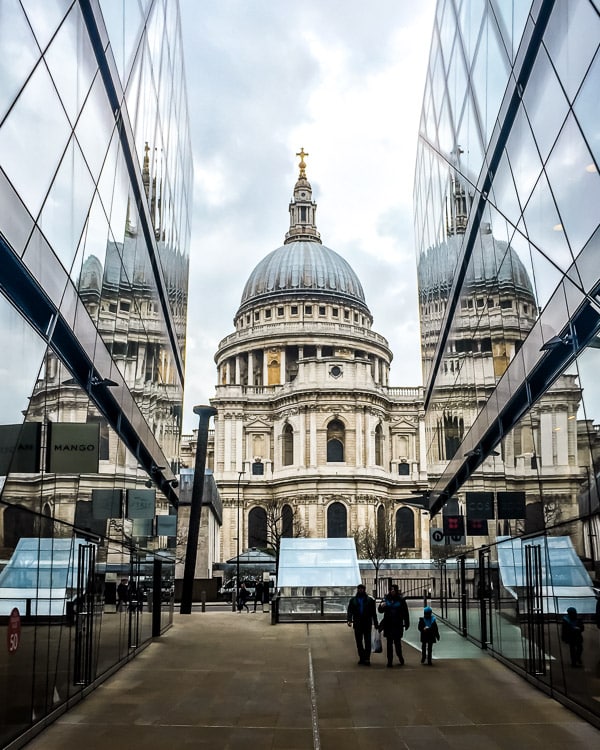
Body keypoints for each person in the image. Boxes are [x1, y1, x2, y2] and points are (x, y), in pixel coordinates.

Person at [378, 584, 410, 667]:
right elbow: (380, 610)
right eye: (391, 590)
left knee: (397, 643)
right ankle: (390, 661)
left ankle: (400, 656)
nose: (392, 591)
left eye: (394, 590)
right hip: (388, 624)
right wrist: (381, 606)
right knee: (389, 644)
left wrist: (406, 623)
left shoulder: (401, 600)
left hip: (397, 624)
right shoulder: (386, 599)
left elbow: (405, 612)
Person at [347, 583, 379, 665]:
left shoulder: (370, 600)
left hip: (366, 623)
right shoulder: (353, 600)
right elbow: (350, 611)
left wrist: (375, 623)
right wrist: (349, 620)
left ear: (364, 590)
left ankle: (367, 658)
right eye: (359, 589)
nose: (360, 590)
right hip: (358, 623)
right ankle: (362, 657)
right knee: (359, 642)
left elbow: (373, 613)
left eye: (361, 589)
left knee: (367, 641)